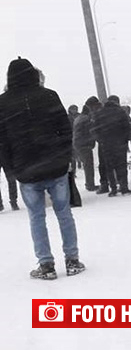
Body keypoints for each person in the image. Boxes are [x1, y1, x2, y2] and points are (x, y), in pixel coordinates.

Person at [0, 57, 85, 279]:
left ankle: (46, 265)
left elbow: (2, 141)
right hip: (55, 165)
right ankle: (72, 260)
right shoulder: (49, 96)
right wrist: (66, 158)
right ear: (33, 74)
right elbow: (65, 130)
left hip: (26, 170)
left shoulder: (3, 103)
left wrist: (11, 169)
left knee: (36, 217)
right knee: (64, 214)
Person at [92, 95, 131, 196]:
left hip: (106, 145)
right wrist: (124, 140)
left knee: (110, 167)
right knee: (122, 166)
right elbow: (127, 127)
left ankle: (113, 189)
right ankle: (124, 187)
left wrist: (101, 140)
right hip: (120, 144)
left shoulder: (99, 113)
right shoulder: (120, 112)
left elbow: (94, 130)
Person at [73, 97, 100, 191]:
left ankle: (89, 183)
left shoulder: (79, 118)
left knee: (87, 165)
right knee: (88, 165)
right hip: (84, 145)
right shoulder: (85, 119)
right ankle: (90, 184)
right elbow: (90, 131)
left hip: (79, 144)